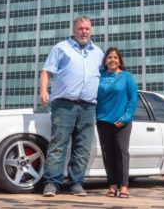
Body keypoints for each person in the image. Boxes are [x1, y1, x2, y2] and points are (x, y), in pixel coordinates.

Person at [39, 15, 104, 197]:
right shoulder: (61, 48)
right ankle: (52, 183)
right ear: (74, 30)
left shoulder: (98, 53)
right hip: (64, 105)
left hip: (88, 107)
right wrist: (43, 91)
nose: (84, 32)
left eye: (87, 29)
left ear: (90, 31)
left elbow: (104, 77)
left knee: (82, 147)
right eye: (81, 28)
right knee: (58, 144)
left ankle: (76, 183)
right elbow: (46, 71)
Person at [96, 47, 138, 198]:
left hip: (121, 122)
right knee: (108, 155)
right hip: (102, 121)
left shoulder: (126, 76)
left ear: (119, 60)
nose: (112, 60)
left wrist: (126, 117)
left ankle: (124, 186)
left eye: (115, 57)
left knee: (121, 153)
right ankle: (112, 185)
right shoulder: (99, 76)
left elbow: (133, 99)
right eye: (109, 57)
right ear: (105, 61)